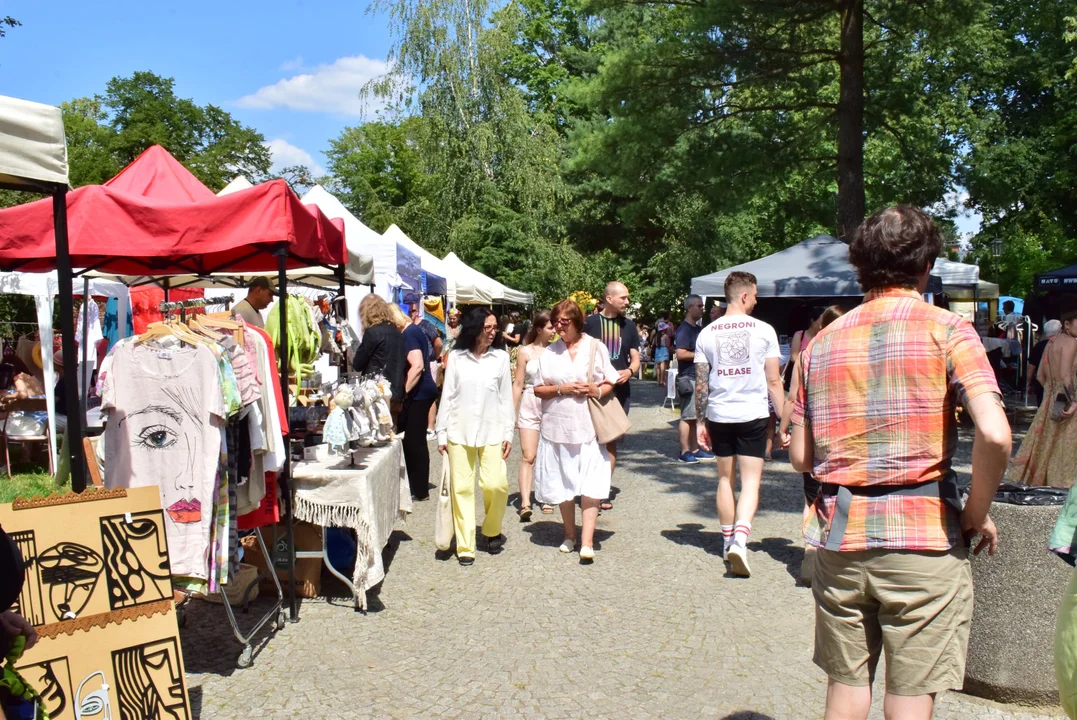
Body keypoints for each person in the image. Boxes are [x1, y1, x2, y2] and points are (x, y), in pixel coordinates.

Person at [788, 205, 1010, 720]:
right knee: (910, 697)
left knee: (844, 687)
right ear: (926, 266)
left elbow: (801, 456)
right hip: (924, 537)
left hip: (841, 537)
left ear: (859, 267)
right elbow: (996, 435)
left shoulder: (820, 343)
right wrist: (975, 512)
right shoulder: (950, 330)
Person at [694, 271, 785, 577]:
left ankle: (725, 541)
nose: (757, 301)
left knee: (724, 480)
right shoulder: (765, 331)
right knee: (751, 482)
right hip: (752, 414)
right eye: (755, 295)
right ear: (744, 295)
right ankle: (740, 541)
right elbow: (774, 381)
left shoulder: (706, 333)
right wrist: (785, 419)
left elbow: (701, 384)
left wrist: (699, 421)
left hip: (719, 413)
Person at [533, 300, 619, 563]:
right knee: (563, 484)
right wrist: (563, 389)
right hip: (557, 427)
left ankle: (587, 541)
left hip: (588, 427)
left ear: (577, 321)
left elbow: (610, 380)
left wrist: (596, 390)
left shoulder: (595, 346)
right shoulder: (550, 353)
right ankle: (569, 534)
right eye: (555, 321)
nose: (558, 326)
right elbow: (538, 389)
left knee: (591, 484)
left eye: (564, 321)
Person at [436, 308, 514, 566]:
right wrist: (441, 433)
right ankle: (466, 545)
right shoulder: (457, 358)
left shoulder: (501, 358)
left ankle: (492, 530)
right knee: (461, 489)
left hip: (493, 430)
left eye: (495, 327)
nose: (494, 332)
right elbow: (447, 396)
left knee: (496, 484)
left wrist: (508, 432)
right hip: (460, 430)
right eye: (488, 327)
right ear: (474, 328)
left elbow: (505, 397)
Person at [778, 306, 846, 531]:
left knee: (811, 495)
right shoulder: (855, 355)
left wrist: (783, 428)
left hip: (814, 432)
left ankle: (810, 548)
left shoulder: (809, 355)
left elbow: (792, 398)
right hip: (844, 435)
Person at [583, 282, 640, 511]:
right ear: (608, 298)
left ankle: (603, 490)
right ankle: (586, 486)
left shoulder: (629, 326)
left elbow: (635, 357)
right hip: (593, 390)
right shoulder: (589, 323)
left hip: (619, 391)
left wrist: (630, 371)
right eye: (623, 298)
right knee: (588, 439)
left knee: (610, 440)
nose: (626, 302)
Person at [1008, 308, 1077, 488]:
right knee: (1065, 444)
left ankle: (1045, 480)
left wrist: (1051, 393)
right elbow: (1065, 375)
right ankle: (1063, 483)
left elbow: (1040, 376)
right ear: (1067, 324)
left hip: (1051, 398)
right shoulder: (1071, 342)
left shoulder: (1050, 343)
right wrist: (1074, 401)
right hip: (1067, 398)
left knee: (1047, 441)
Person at [513, 311, 554, 520]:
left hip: (551, 403)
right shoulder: (524, 351)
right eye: (550, 327)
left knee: (549, 453)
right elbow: (518, 382)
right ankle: (525, 502)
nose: (554, 330)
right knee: (529, 455)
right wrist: (512, 411)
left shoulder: (558, 351)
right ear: (539, 329)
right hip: (529, 401)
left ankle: (546, 496)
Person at [400, 304, 439, 500]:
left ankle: (420, 489)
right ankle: (418, 487)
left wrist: (403, 391)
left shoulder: (410, 333)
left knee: (415, 442)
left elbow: (417, 366)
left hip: (420, 392)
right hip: (423, 391)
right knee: (416, 441)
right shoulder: (414, 330)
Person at [675, 295, 713, 464]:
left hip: (698, 377)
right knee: (687, 416)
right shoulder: (684, 330)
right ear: (689, 308)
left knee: (696, 416)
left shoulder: (698, 329)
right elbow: (680, 353)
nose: (702, 308)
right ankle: (684, 451)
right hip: (688, 377)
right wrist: (701, 356)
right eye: (699, 305)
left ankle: (695, 449)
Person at [353, 295, 407, 411]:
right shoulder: (398, 333)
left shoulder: (372, 333)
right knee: (391, 426)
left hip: (376, 391)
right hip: (396, 389)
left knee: (376, 426)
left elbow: (358, 364)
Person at [1027, 319, 1062, 407]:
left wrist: (1028, 383)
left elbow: (1032, 367)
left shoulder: (1039, 346)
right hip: (1061, 385)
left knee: (1043, 409)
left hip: (1042, 385)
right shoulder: (1065, 346)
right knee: (1058, 413)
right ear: (1060, 331)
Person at [654, 312, 673, 386]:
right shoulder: (665, 336)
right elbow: (668, 345)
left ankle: (658, 380)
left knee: (658, 366)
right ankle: (662, 380)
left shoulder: (657, 337)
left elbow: (654, 343)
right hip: (664, 350)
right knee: (663, 366)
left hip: (657, 350)